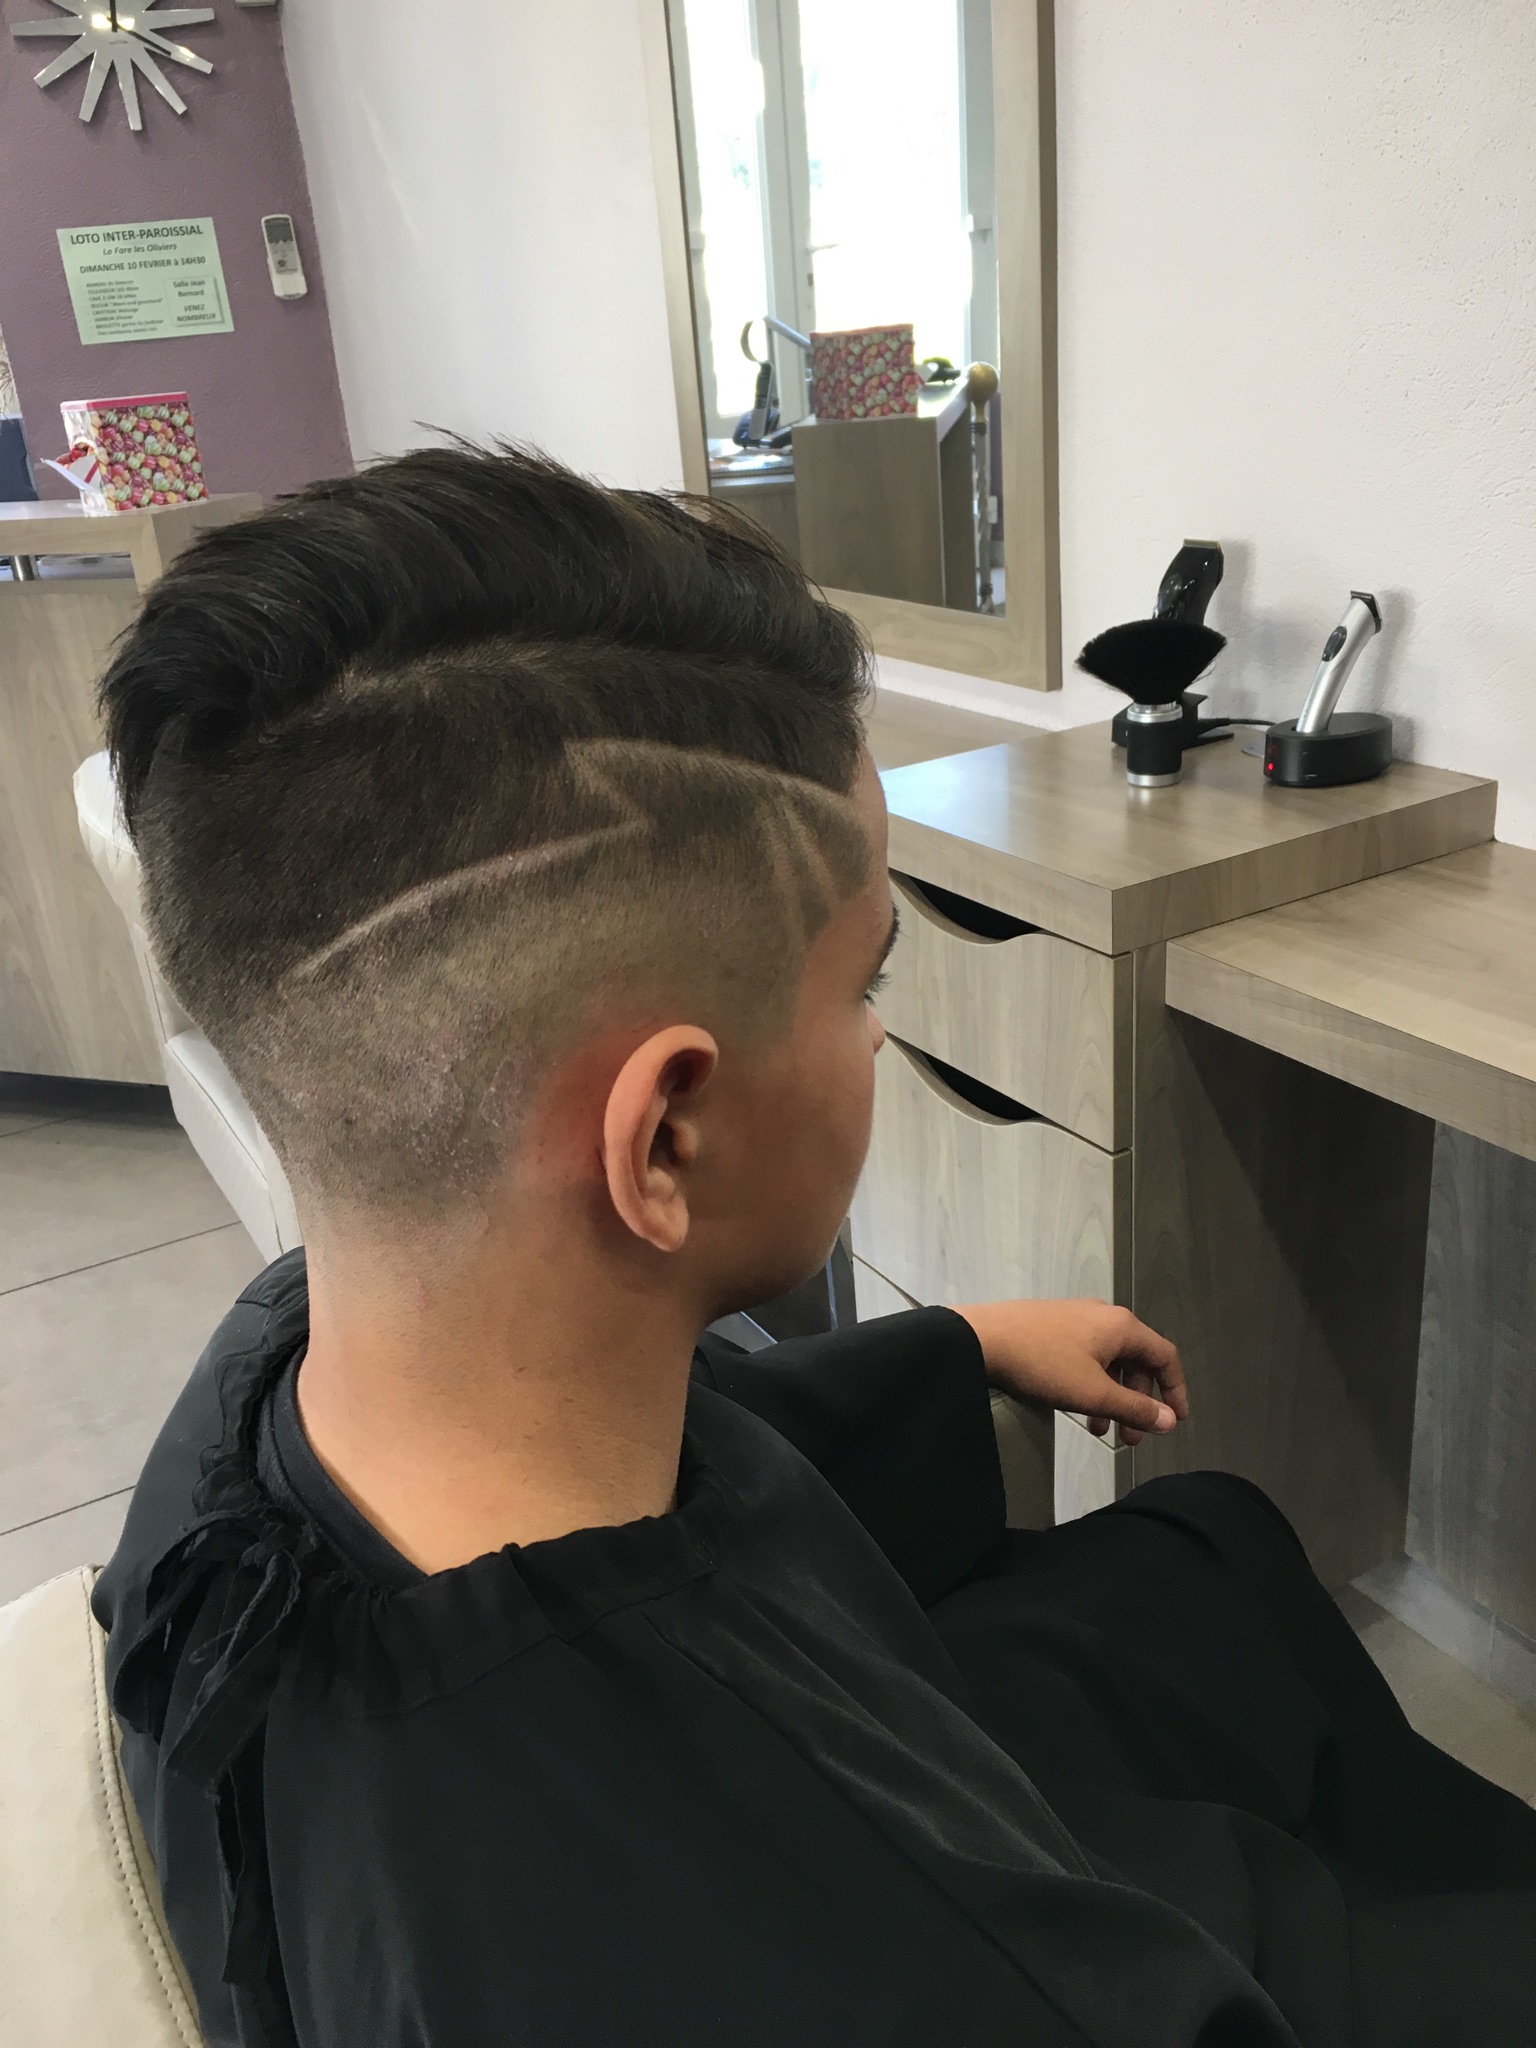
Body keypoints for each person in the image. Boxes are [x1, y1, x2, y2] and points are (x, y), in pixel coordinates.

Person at [95, 446, 1536, 2048]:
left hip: (836, 1770)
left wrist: (966, 1347)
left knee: (1201, 1548)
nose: (874, 1034)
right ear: (665, 1136)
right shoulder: (874, 1966)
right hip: (1036, 1908)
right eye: (863, 984)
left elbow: (708, 1457)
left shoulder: (283, 1363)